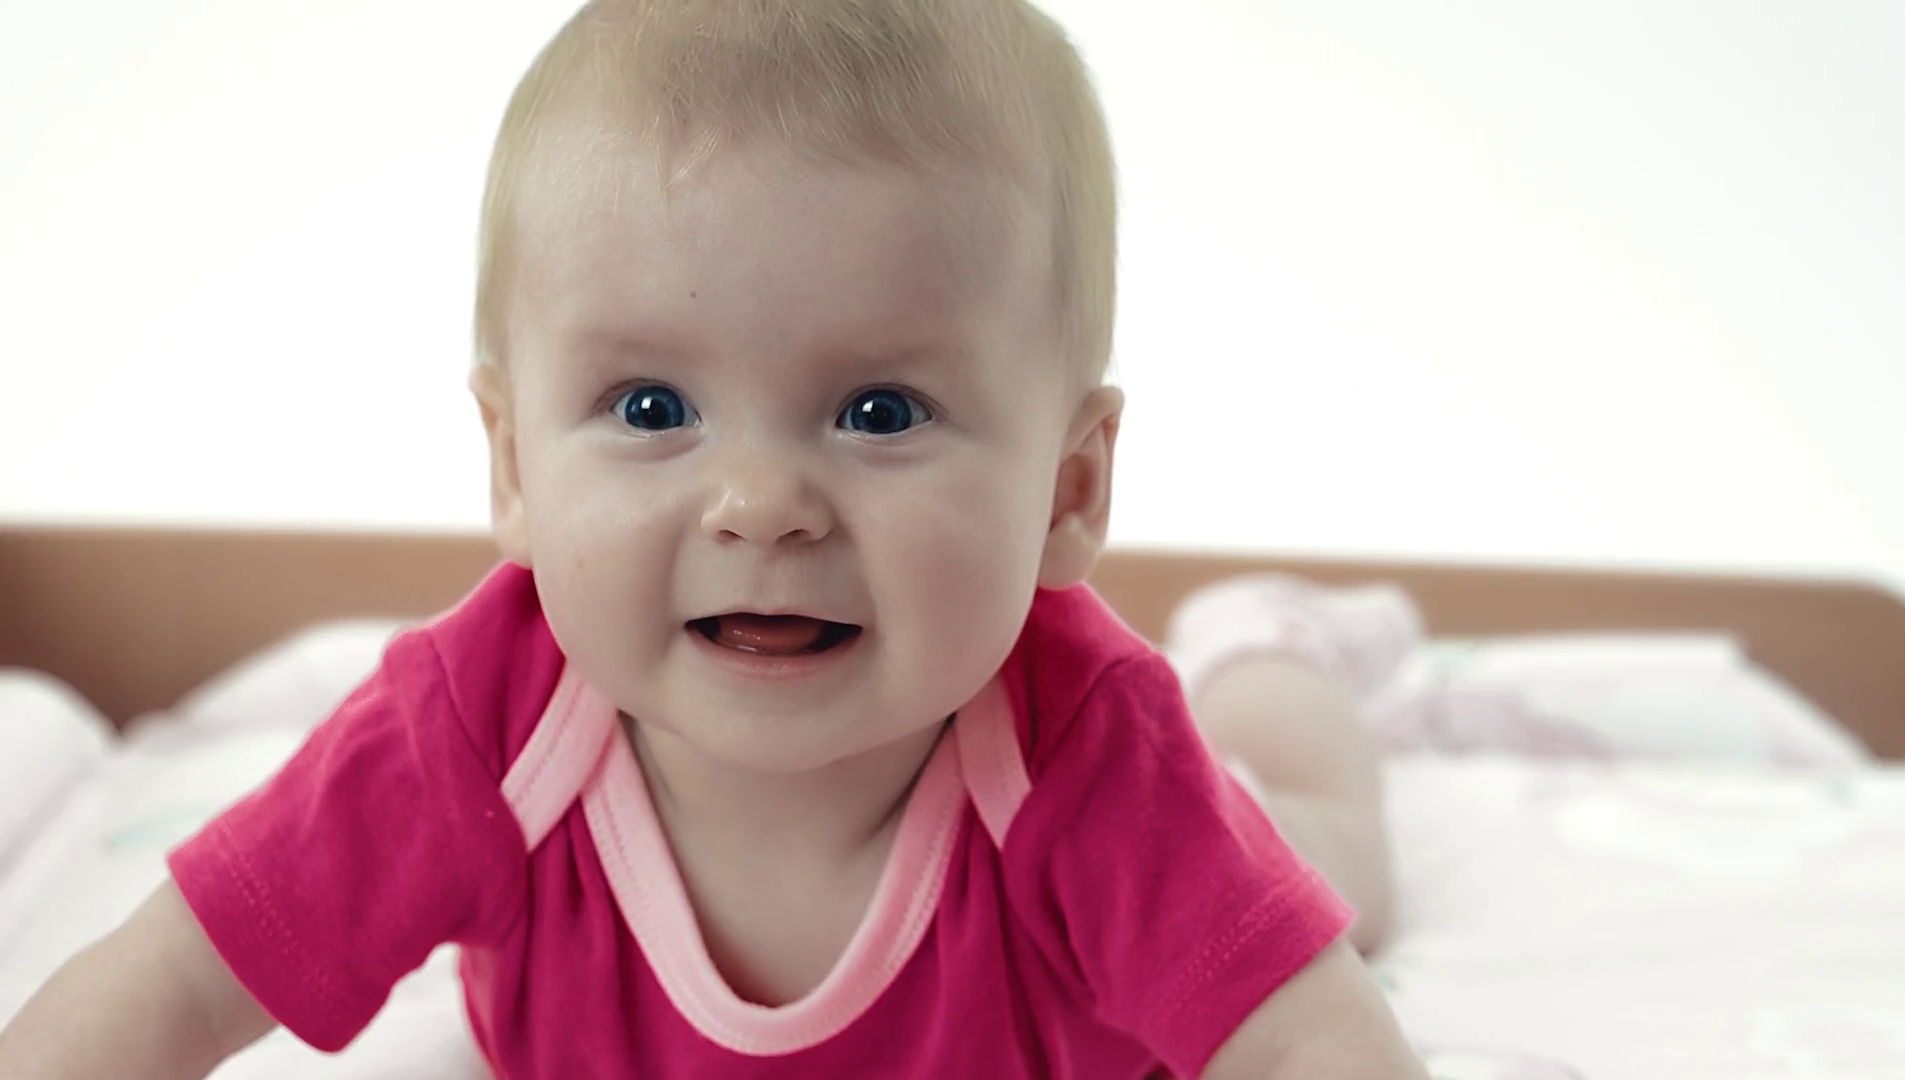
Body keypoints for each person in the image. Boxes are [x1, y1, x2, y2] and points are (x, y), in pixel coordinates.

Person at [0, 1, 1424, 1076]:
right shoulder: (478, 730)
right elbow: (174, 981)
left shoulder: (1092, 760)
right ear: (511, 464)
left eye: (878, 409)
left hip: (1197, 810)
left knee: (1330, 864)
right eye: (651, 404)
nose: (762, 503)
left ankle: (1273, 657)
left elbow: (1313, 1044)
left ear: (1066, 491)